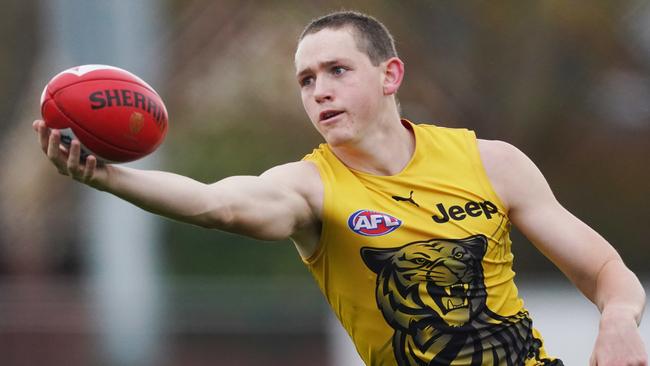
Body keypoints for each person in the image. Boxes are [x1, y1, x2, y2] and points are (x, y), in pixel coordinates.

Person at [33, 10, 646, 366]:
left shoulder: (491, 162)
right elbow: (217, 203)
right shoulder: (310, 188)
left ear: (389, 76)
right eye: (305, 80)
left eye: (336, 71)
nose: (319, 90)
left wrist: (618, 319)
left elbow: (605, 269)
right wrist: (109, 177)